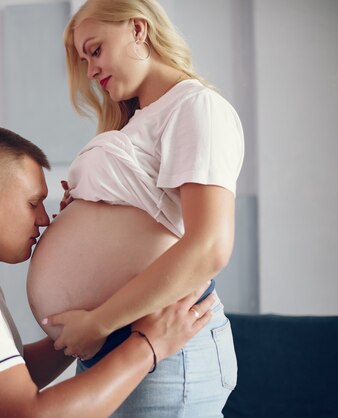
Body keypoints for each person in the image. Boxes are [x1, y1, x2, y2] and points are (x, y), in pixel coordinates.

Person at [0, 125, 215, 418]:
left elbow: (8, 378)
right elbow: (29, 414)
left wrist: (88, 329)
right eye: (33, 203)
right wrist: (148, 346)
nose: (44, 219)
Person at [26, 0, 244, 416]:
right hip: (113, 346)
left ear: (138, 29)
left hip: (157, 345)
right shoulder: (138, 120)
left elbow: (211, 246)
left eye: (95, 50)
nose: (90, 70)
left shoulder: (195, 107)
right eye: (83, 58)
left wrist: (99, 321)